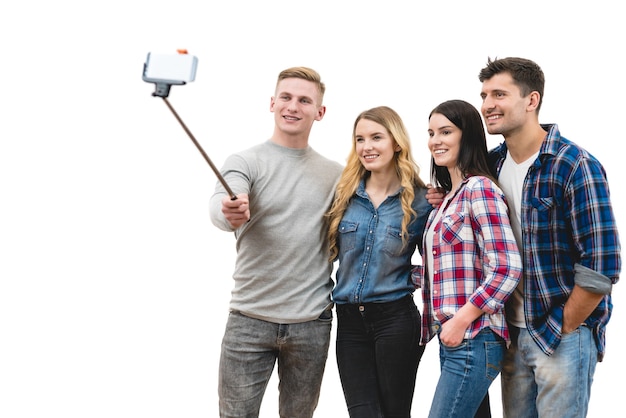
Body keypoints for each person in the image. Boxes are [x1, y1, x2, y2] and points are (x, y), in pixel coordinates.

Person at [428, 57, 621, 417]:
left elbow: (602, 266)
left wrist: (562, 326)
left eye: (499, 94)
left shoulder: (574, 164)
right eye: (484, 94)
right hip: (510, 333)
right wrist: (442, 196)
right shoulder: (491, 166)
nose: (487, 104)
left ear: (531, 100)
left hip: (561, 334)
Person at [209, 67, 343, 418]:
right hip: (248, 320)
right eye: (285, 97)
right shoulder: (244, 162)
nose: (293, 106)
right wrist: (232, 211)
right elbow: (222, 207)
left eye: (304, 100)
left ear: (320, 112)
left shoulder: (336, 174)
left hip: (311, 323)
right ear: (272, 103)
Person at [412, 99, 522, 418]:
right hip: (454, 340)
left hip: (475, 338)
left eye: (446, 131)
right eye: (431, 132)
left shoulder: (480, 190)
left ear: (468, 135)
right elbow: (449, 271)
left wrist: (460, 320)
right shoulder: (448, 200)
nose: (436, 140)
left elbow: (506, 267)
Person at [325, 106, 432, 417]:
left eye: (376, 137)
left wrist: (407, 277)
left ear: (396, 142)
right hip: (349, 325)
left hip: (395, 320)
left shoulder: (422, 201)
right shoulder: (343, 195)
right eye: (360, 139)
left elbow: (438, 265)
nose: (366, 147)